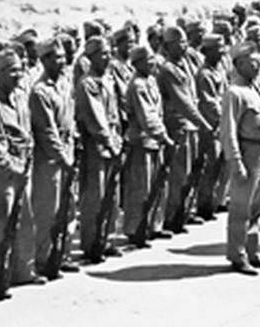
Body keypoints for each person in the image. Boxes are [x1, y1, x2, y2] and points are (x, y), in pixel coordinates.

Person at [0, 50, 46, 299]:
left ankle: (24, 271)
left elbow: (27, 131)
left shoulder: (20, 97)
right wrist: (15, 167)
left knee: (25, 220)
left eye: (19, 69)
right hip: (2, 173)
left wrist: (25, 162)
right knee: (0, 226)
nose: (17, 74)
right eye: (11, 70)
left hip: (22, 166)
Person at [220, 44, 260, 276]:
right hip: (248, 153)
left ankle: (251, 251)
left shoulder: (256, 90)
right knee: (241, 208)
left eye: (258, 62)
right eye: (252, 62)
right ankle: (237, 255)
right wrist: (236, 162)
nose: (257, 66)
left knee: (258, 207)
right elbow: (229, 132)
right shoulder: (234, 93)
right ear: (239, 64)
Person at [29, 38, 80, 277]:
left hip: (67, 150)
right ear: (44, 60)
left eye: (62, 56)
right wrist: (63, 158)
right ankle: (44, 259)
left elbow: (71, 115)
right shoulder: (40, 91)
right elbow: (47, 131)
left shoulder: (64, 83)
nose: (61, 60)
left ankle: (63, 255)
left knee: (68, 208)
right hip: (50, 159)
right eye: (55, 57)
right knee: (48, 211)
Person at [157, 26, 212, 233]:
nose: (184, 45)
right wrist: (203, 123)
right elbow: (183, 102)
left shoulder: (184, 64)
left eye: (184, 41)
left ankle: (182, 214)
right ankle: (172, 218)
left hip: (189, 126)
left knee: (188, 173)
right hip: (178, 126)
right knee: (177, 175)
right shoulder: (168, 69)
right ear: (167, 46)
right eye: (178, 42)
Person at [75, 36, 125, 262]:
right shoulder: (88, 83)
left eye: (108, 53)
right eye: (102, 54)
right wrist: (110, 141)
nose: (107, 57)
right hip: (96, 145)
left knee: (111, 196)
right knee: (95, 196)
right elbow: (96, 119)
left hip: (112, 142)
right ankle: (92, 244)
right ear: (91, 57)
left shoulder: (108, 78)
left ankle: (107, 239)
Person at [122, 46, 174, 246]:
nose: (153, 64)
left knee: (157, 185)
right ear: (137, 63)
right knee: (140, 189)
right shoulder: (137, 85)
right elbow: (147, 116)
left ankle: (154, 225)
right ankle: (135, 229)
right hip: (142, 141)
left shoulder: (150, 81)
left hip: (155, 140)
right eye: (148, 61)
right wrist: (163, 136)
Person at [195, 34, 227, 219]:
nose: (222, 52)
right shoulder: (205, 74)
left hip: (220, 125)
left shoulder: (218, 71)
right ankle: (204, 206)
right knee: (209, 166)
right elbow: (209, 103)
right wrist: (224, 117)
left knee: (217, 166)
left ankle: (213, 202)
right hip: (210, 127)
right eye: (218, 49)